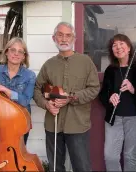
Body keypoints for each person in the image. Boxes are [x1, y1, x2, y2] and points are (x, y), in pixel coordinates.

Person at [33, 21, 100, 172]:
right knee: (55, 167)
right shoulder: (48, 65)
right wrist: (46, 104)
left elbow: (94, 88)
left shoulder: (86, 62)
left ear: (74, 39)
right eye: (60, 35)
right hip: (53, 124)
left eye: (68, 35)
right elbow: (37, 89)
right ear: (54, 38)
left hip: (77, 124)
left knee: (82, 167)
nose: (64, 39)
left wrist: (70, 97)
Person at [98, 34, 136, 171]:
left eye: (121, 44)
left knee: (130, 156)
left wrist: (133, 89)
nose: (118, 47)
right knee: (110, 156)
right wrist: (110, 97)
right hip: (114, 118)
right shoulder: (111, 70)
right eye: (114, 45)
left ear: (129, 48)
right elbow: (103, 94)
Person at [0, 37, 36, 145]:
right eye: (13, 50)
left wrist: (4, 89)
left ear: (23, 57)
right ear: (7, 52)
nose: (16, 54)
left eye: (20, 51)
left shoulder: (30, 75)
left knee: (17, 155)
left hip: (19, 122)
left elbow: (25, 101)